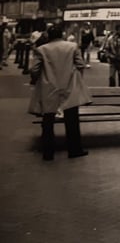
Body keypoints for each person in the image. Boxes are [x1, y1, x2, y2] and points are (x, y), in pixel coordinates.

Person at [28, 24, 91, 161]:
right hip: (69, 87)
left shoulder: (41, 50)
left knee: (48, 121)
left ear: (49, 36)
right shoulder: (72, 47)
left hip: (48, 88)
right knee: (72, 120)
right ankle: (74, 150)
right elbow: (80, 65)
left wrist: (35, 80)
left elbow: (34, 70)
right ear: (62, 35)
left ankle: (48, 153)